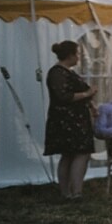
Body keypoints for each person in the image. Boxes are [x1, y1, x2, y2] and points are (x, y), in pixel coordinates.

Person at [44, 40, 97, 199]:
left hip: (75, 119)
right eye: (77, 53)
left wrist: (91, 105)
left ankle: (68, 192)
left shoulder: (67, 72)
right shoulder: (57, 73)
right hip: (67, 121)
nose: (79, 57)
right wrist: (87, 94)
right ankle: (74, 192)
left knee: (70, 154)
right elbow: (63, 96)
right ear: (71, 55)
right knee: (78, 153)